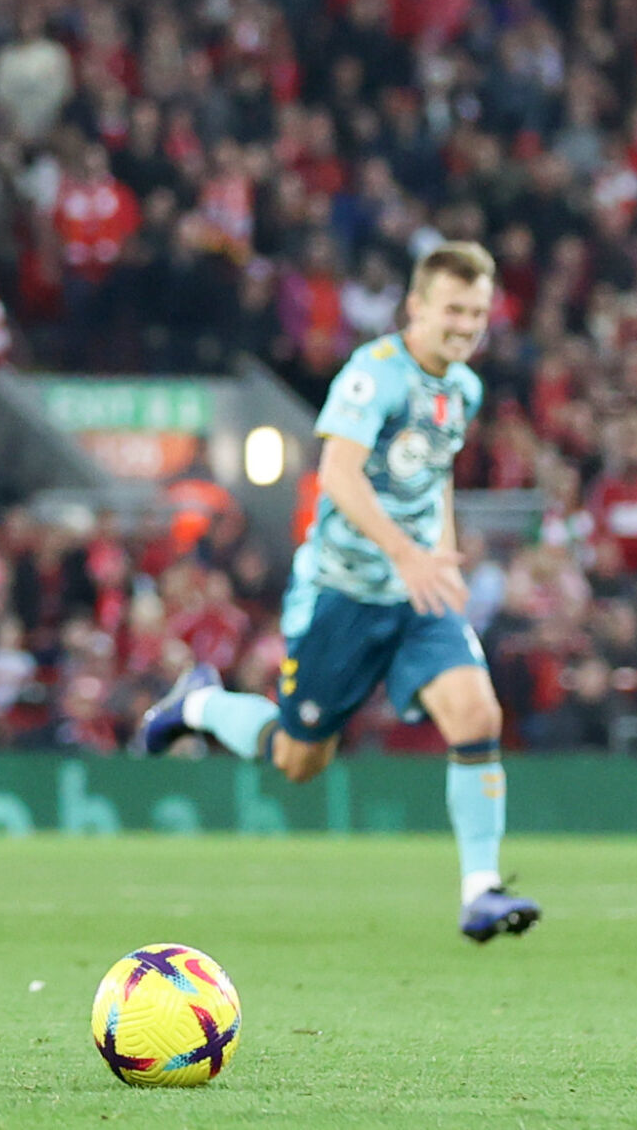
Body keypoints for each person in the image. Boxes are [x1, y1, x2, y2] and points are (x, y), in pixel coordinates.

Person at [140, 241, 540, 944]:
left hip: (417, 595)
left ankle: (481, 890)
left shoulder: (464, 389)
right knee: (299, 760)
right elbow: (339, 475)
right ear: (416, 307)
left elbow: (435, 471)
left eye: (477, 314)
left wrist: (440, 553)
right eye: (453, 310)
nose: (466, 326)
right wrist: (407, 554)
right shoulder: (373, 374)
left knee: (477, 715)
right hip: (343, 596)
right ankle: (199, 704)